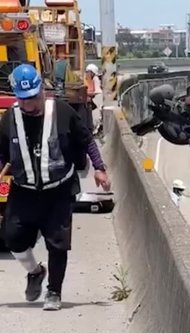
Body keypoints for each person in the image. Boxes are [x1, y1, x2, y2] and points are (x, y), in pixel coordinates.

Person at [0, 64, 110, 311]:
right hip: (24, 189)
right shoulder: (10, 118)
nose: (29, 104)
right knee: (12, 238)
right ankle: (35, 272)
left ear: (41, 90)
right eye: (23, 99)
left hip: (58, 189)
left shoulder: (62, 111)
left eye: (33, 97)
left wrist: (100, 168)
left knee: (57, 244)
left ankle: (54, 292)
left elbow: (86, 140)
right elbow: (3, 152)